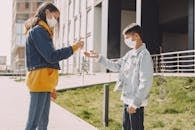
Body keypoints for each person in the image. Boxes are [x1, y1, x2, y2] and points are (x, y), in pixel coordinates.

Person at [24, 2, 84, 130]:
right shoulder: (39, 31)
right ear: (47, 13)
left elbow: (48, 61)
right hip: (39, 81)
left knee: (42, 123)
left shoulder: (44, 32)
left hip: (44, 83)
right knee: (33, 122)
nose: (56, 21)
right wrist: (74, 47)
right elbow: (51, 56)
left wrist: (51, 87)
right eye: (55, 17)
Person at [84, 23, 153, 130]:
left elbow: (146, 82)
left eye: (127, 37)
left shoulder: (144, 55)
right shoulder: (129, 54)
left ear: (136, 36)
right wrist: (99, 58)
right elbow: (116, 66)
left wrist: (135, 103)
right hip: (127, 99)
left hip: (136, 102)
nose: (125, 41)